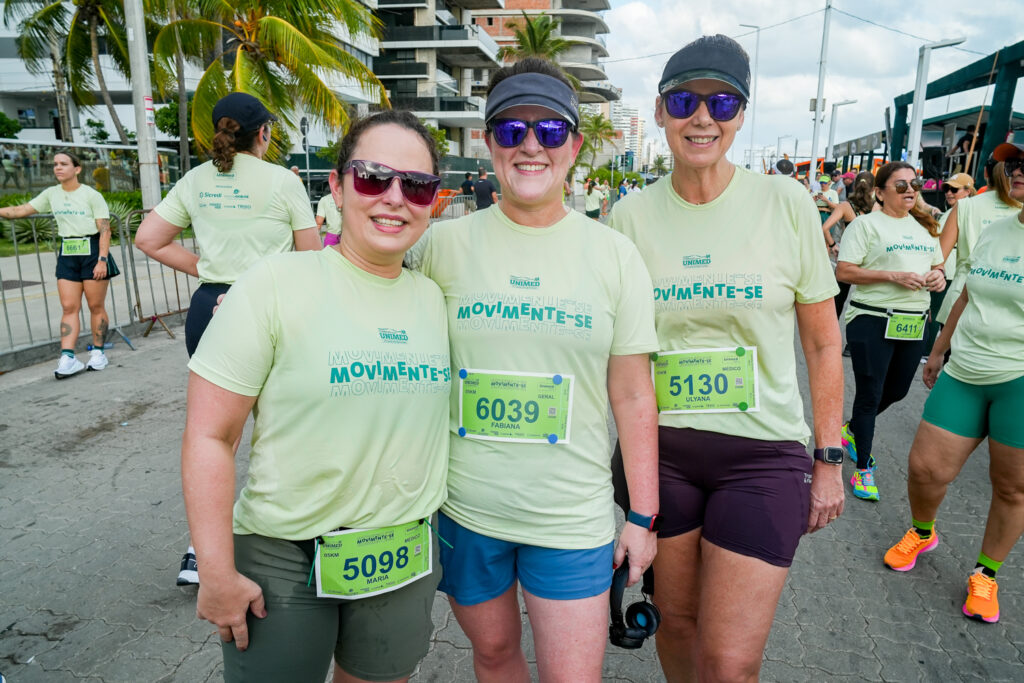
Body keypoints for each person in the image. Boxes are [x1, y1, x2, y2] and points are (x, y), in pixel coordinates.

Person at [407, 57, 660, 683]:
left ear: (573, 145)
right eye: (510, 129)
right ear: (488, 140)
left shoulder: (614, 255)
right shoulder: (441, 245)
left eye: (548, 131)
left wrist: (642, 517)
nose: (529, 146)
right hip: (467, 512)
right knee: (493, 658)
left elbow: (632, 396)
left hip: (571, 517)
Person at [608, 35, 844, 682]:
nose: (702, 117)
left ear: (742, 115)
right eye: (684, 100)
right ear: (660, 112)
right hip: (664, 455)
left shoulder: (787, 204)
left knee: (731, 660)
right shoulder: (626, 218)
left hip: (762, 455)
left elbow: (824, 342)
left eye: (723, 102)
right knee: (677, 627)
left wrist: (829, 455)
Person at [184, 109, 450, 682]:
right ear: (336, 185)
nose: (395, 198)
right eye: (375, 177)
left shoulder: (436, 297)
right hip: (284, 555)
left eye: (418, 185)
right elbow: (210, 434)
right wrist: (215, 570)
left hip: (399, 553)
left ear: (435, 201)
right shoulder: (274, 284)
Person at [136, 92, 321, 587]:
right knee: (285, 423)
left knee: (214, 436)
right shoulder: (284, 182)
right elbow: (309, 258)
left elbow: (148, 239)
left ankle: (200, 553)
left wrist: (208, 269)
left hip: (210, 306)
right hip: (273, 306)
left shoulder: (196, 179)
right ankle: (298, 535)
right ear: (264, 133)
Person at [883, 141, 1024, 624]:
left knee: (1012, 488)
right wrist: (939, 350)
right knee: (925, 469)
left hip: (1019, 381)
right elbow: (967, 292)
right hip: (965, 369)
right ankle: (923, 532)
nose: (1018, 172)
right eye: (1015, 165)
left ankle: (985, 573)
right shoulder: (997, 228)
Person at [836, 162, 946, 501]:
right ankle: (864, 469)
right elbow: (844, 271)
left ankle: (853, 429)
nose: (910, 190)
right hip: (872, 319)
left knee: (897, 391)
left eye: (915, 183)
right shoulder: (866, 225)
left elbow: (938, 269)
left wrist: (938, 278)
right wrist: (892, 276)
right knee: (870, 393)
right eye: (900, 185)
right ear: (880, 193)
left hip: (914, 323)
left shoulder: (925, 228)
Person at [0, 150, 116, 378]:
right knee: (68, 307)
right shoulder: (51, 194)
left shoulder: (91, 195)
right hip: (68, 252)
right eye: (55, 164)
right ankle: (68, 357)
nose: (58, 168)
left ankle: (98, 353)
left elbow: (105, 229)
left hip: (92, 251)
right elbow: (21, 210)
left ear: (77, 169)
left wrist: (102, 260)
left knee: (96, 306)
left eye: (63, 164)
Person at [936, 158, 1021, 328]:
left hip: (961, 298)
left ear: (985, 173)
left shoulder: (964, 206)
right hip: (1010, 303)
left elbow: (937, 259)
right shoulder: (1019, 208)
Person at [923, 173, 974, 357]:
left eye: (954, 189)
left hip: (950, 270)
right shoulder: (951, 211)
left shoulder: (965, 211)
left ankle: (929, 351)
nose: (949, 193)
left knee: (937, 313)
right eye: (946, 189)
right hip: (946, 268)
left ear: (968, 191)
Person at [821, 171, 876, 317]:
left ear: (854, 186)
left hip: (847, 257)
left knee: (837, 302)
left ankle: (831, 337)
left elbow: (825, 228)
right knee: (869, 301)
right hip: (870, 259)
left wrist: (833, 246)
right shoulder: (877, 208)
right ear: (873, 189)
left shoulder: (845, 206)